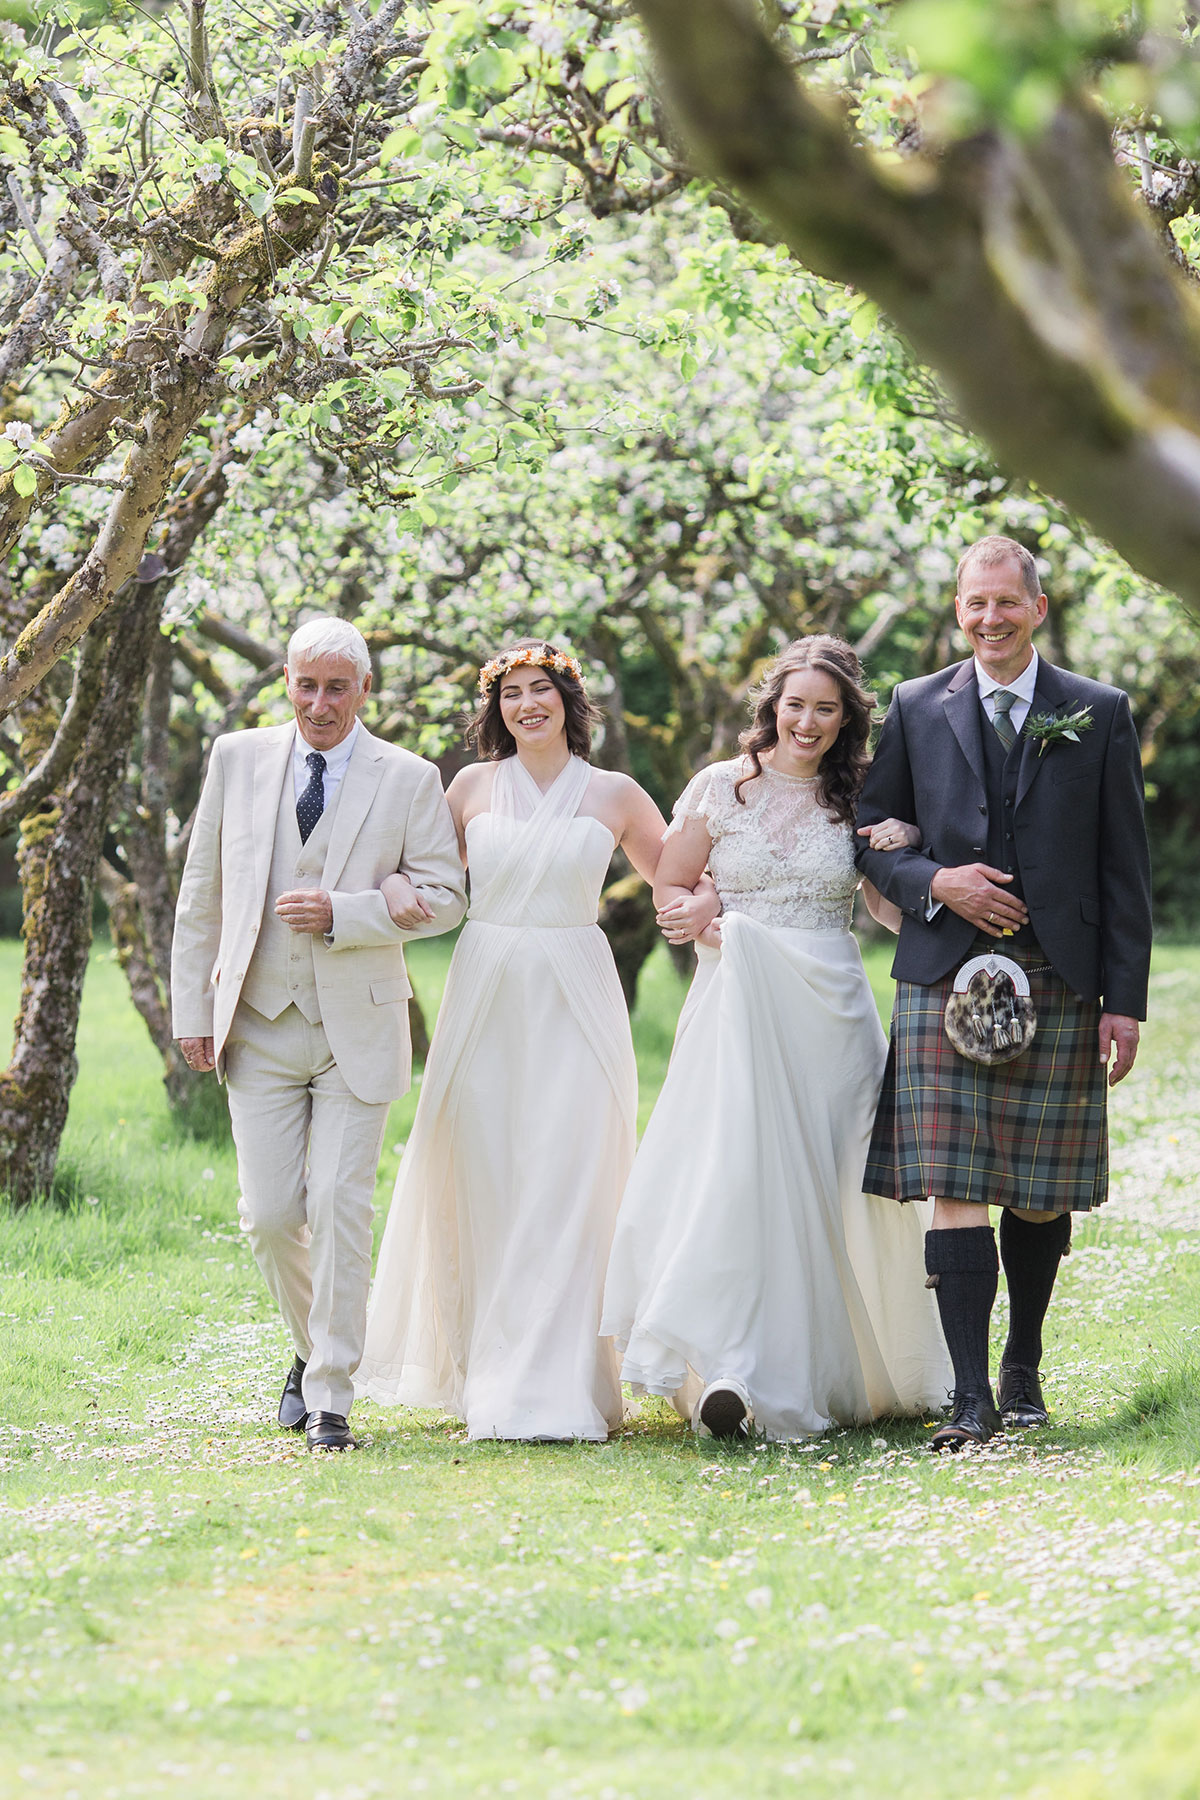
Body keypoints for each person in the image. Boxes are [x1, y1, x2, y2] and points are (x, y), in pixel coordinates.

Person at [601, 636, 952, 1441]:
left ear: (846, 718)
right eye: (795, 704)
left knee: (838, 1181)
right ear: (773, 706)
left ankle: (848, 1365)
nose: (808, 720)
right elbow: (672, 882)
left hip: (830, 1008)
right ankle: (734, 1369)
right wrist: (697, 909)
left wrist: (919, 873)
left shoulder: (861, 795)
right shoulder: (722, 786)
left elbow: (884, 908)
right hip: (739, 1002)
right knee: (740, 1174)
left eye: (826, 708)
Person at [355, 639, 706, 1441]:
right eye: (511, 694)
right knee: (488, 1167)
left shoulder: (614, 791)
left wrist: (713, 902)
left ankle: (565, 1381)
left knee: (571, 1168)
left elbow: (675, 875)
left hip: (577, 982)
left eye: (539, 689)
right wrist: (399, 884)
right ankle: (492, 1372)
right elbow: (418, 867)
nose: (526, 705)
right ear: (496, 708)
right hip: (488, 983)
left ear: (568, 701)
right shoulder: (471, 785)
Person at [855, 536, 1152, 1450]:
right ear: (957, 609)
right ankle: (970, 1396)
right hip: (944, 972)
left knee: (1037, 1188)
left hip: (1061, 974)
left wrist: (1123, 999)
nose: (990, 619)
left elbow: (1123, 866)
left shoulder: (1096, 712)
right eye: (974, 604)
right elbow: (868, 830)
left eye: (1006, 604)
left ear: (1038, 608)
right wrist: (936, 882)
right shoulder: (912, 705)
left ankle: (1022, 1366)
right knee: (954, 1182)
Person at [171, 618, 466, 1453]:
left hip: (358, 1026)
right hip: (255, 1022)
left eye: (338, 687)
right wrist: (194, 1012)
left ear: (364, 691)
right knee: (268, 1215)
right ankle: (313, 1349)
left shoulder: (408, 778)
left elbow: (447, 897)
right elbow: (201, 893)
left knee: (340, 1204)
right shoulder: (237, 757)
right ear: (287, 684)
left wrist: (351, 912)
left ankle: (332, 1395)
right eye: (307, 684)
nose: (320, 703)